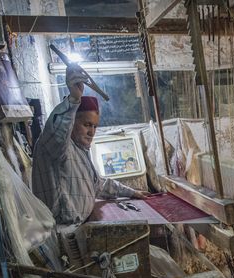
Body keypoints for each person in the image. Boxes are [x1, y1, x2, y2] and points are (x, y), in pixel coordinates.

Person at [32, 64, 148, 226]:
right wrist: (74, 99)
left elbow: (98, 184)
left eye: (95, 126)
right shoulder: (56, 146)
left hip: (81, 226)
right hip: (62, 232)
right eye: (87, 124)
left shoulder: (80, 151)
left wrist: (132, 192)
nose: (92, 132)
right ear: (72, 121)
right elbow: (58, 133)